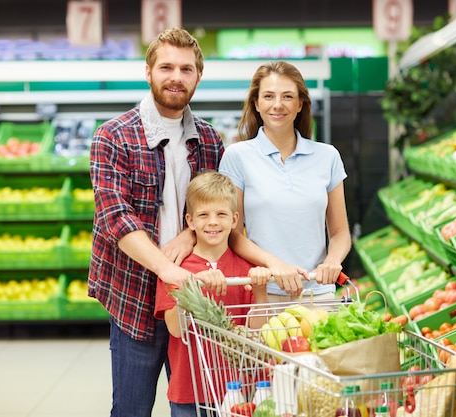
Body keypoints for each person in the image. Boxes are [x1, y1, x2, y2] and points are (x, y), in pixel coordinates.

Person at [88, 27, 224, 417]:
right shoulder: (112, 137)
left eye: (186, 69)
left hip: (195, 299)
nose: (176, 77)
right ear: (148, 72)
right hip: (135, 295)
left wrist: (185, 237)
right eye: (166, 67)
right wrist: (167, 268)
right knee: (131, 408)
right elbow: (116, 217)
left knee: (199, 409)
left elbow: (214, 209)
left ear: (198, 76)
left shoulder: (211, 141)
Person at [219, 60, 352, 302]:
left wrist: (332, 262)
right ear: (257, 104)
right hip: (263, 292)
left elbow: (340, 231)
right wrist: (275, 264)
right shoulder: (237, 156)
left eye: (287, 96)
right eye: (268, 96)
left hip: (318, 294)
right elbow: (233, 234)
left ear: (300, 104)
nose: (278, 105)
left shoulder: (327, 156)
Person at [155, 171, 271, 417]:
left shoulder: (245, 269)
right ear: (190, 221)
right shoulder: (174, 270)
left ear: (234, 219)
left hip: (241, 393)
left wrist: (260, 292)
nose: (213, 222)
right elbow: (176, 329)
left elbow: (257, 333)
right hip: (189, 392)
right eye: (203, 215)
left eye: (221, 214)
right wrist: (193, 286)